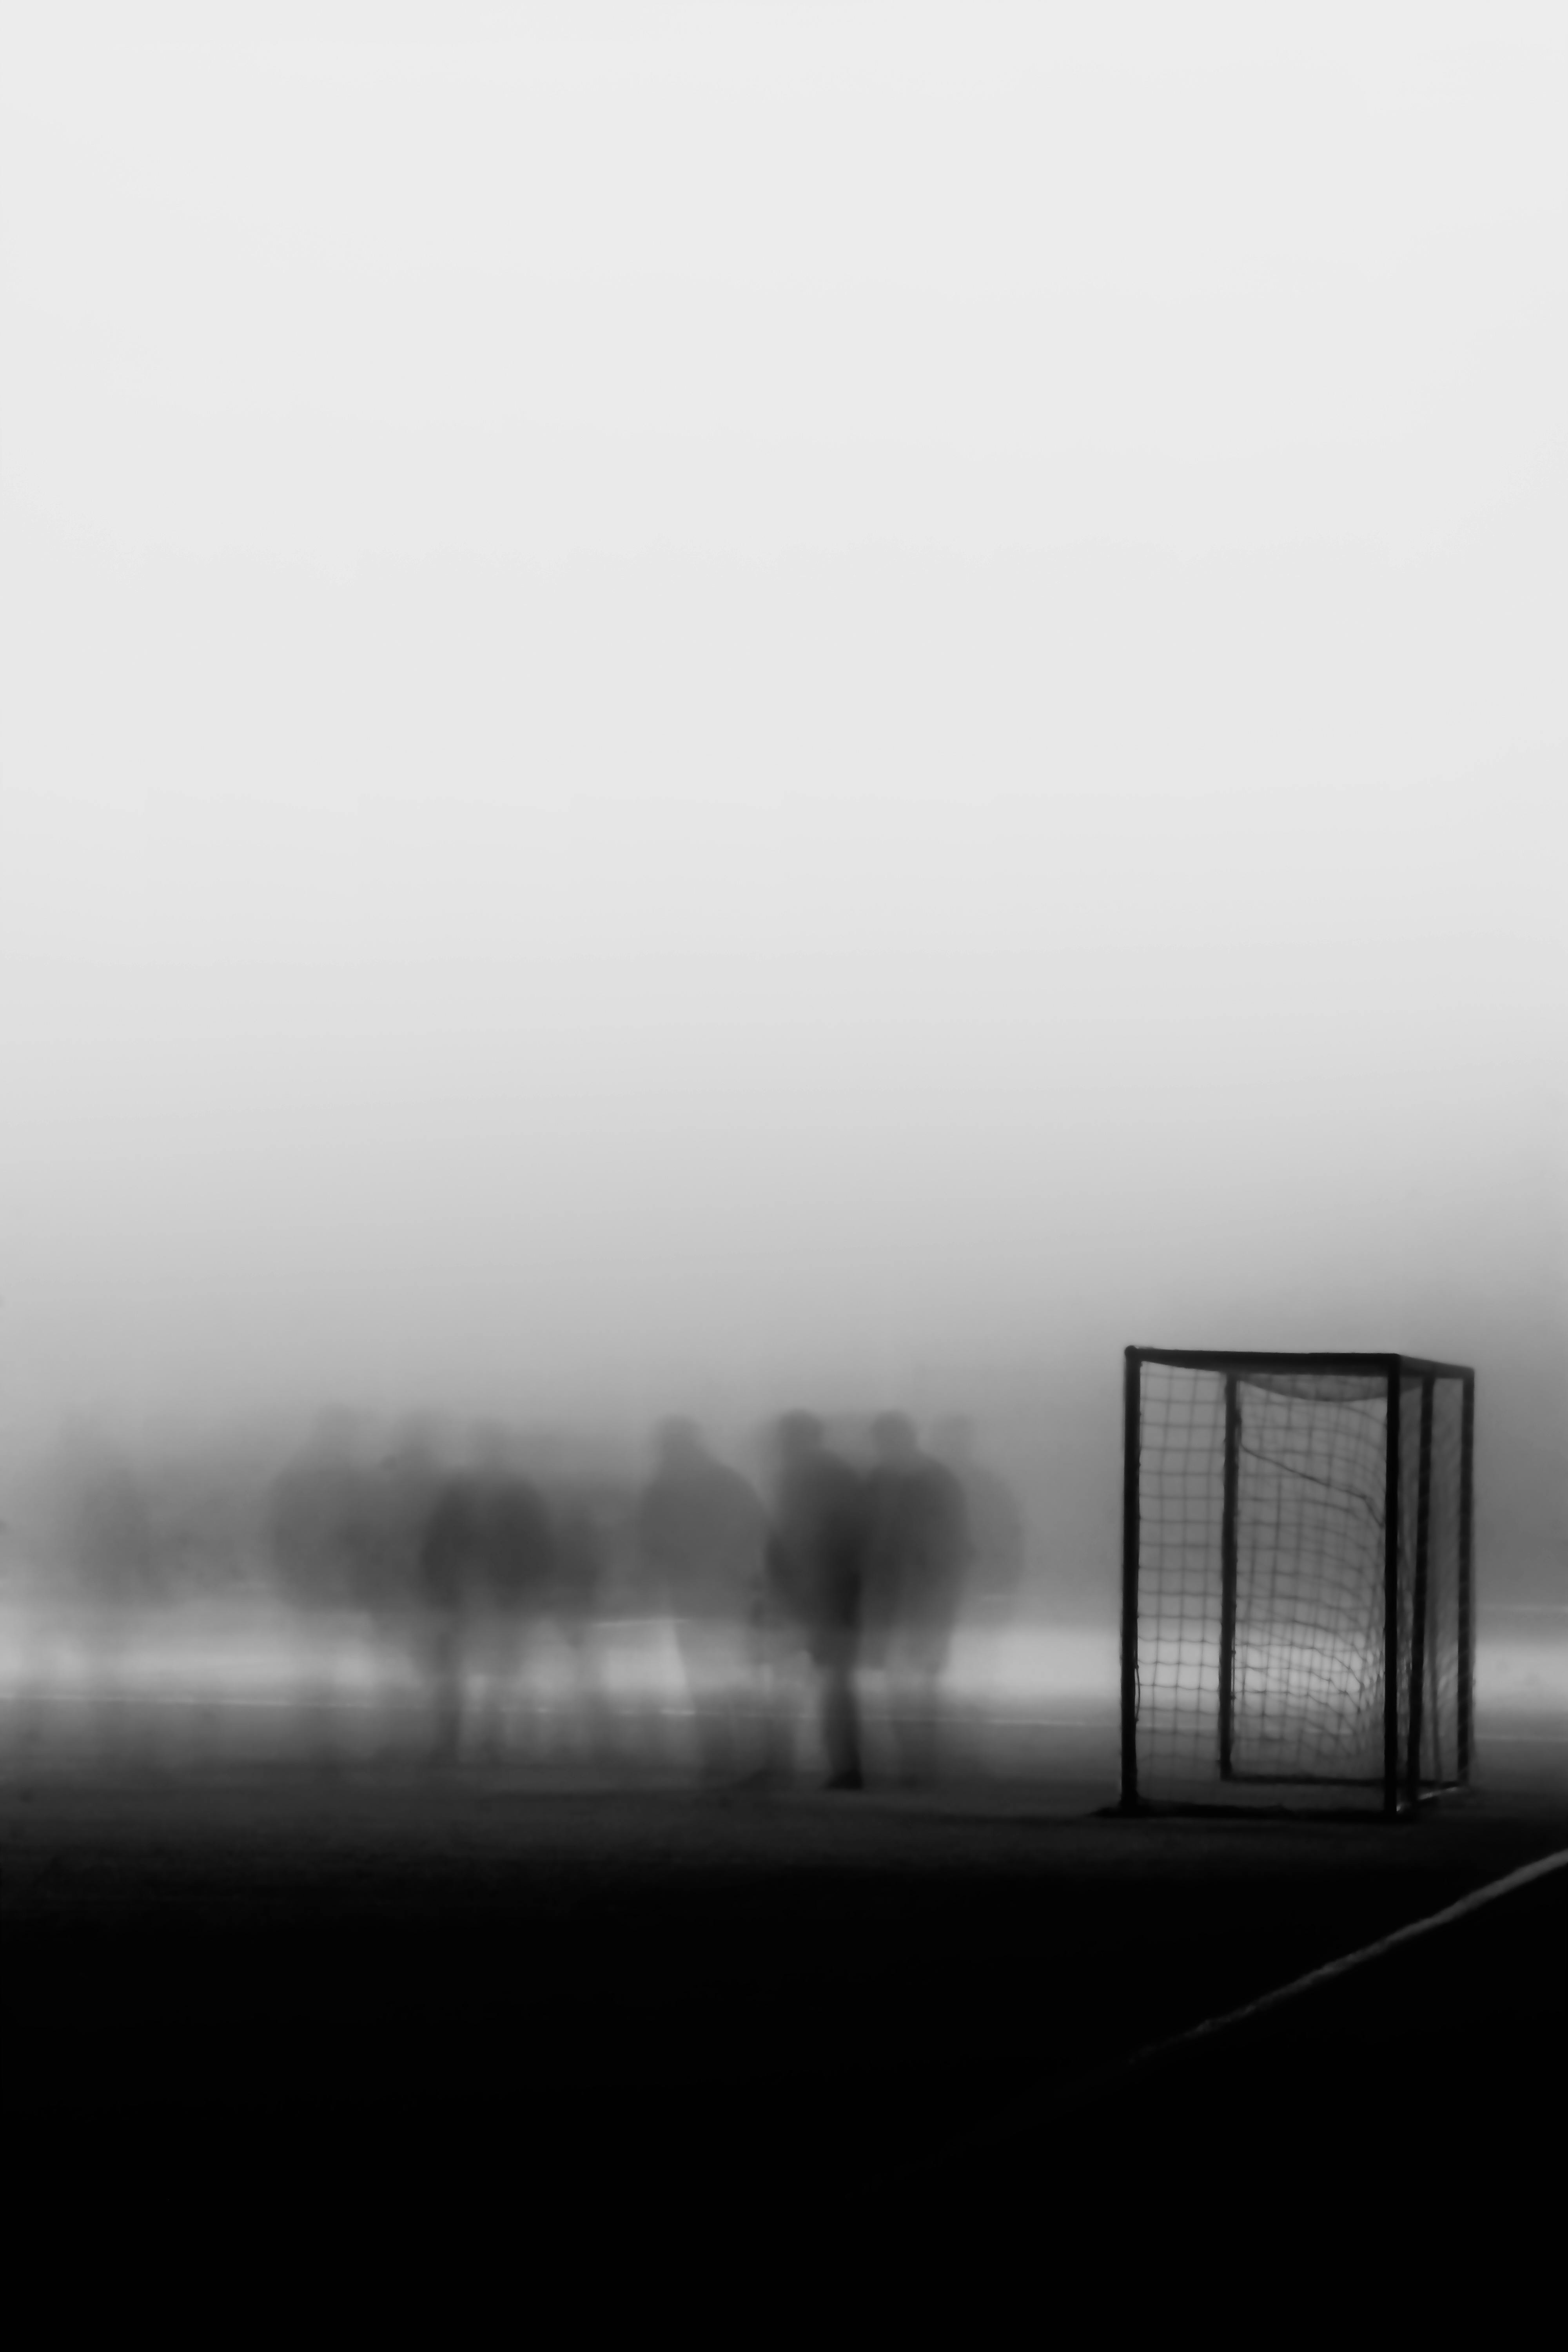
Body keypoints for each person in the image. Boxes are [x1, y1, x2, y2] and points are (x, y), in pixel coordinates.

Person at [637, 1418, 769, 1783]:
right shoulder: (729, 1483)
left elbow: (649, 1544)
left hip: (694, 1598)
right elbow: (756, 1531)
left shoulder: (663, 1489)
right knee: (737, 1681)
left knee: (705, 1681)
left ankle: (720, 1759)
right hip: (728, 1596)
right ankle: (751, 1759)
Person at [862, 1412, 971, 1784]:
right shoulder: (926, 1481)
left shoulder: (894, 1482)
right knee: (910, 1685)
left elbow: (947, 1548)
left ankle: (920, 1762)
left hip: (917, 1603)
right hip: (909, 1602)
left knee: (914, 1684)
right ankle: (918, 1762)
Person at [767, 1412, 868, 1790]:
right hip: (818, 1596)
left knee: (825, 1684)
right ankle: (838, 1765)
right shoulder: (823, 1475)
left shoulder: (809, 1478)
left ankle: (837, 1766)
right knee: (828, 1684)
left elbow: (837, 1538)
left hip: (822, 1597)